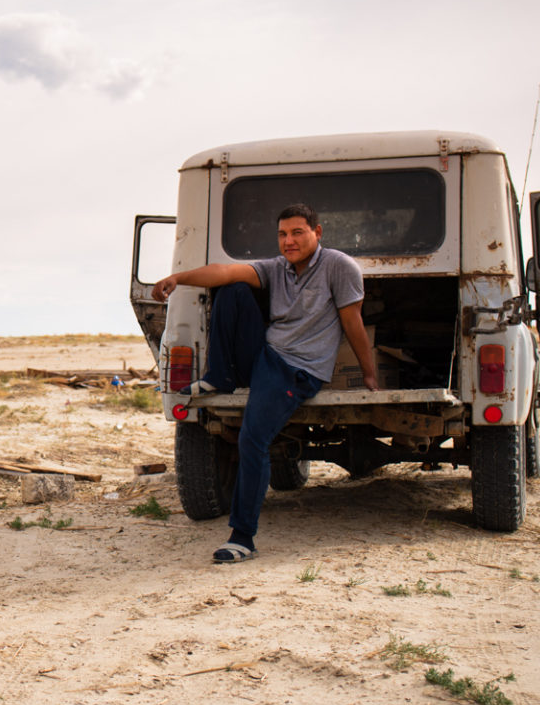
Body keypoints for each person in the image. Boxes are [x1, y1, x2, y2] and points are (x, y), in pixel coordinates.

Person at [151, 203, 377, 564]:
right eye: (283, 234)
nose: (289, 241)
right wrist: (177, 279)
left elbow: (352, 323)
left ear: (317, 233)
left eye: (298, 233)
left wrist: (369, 374)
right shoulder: (277, 269)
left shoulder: (339, 267)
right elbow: (224, 269)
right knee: (232, 287)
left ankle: (242, 537)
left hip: (295, 369)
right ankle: (220, 376)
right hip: (266, 354)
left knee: (252, 438)